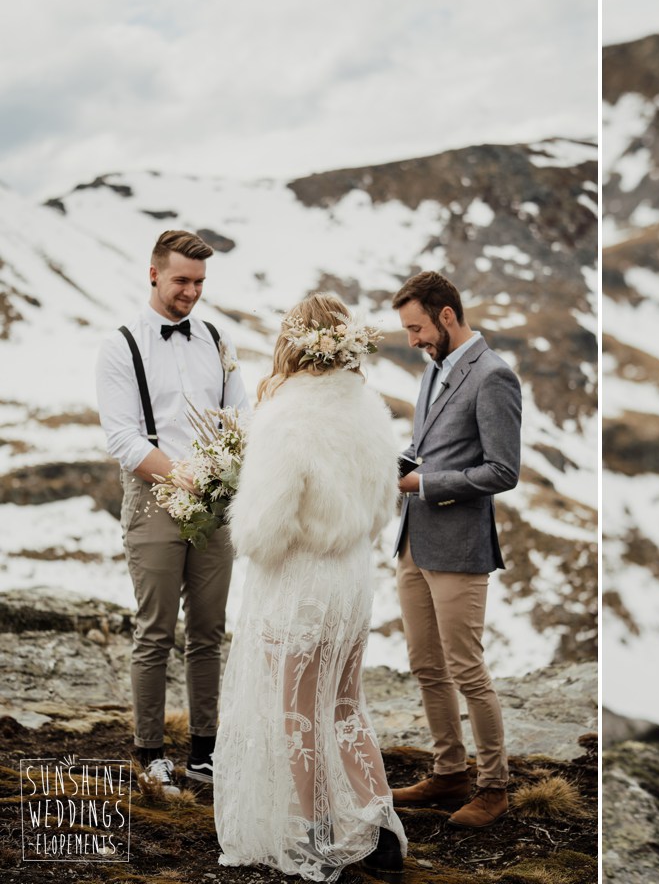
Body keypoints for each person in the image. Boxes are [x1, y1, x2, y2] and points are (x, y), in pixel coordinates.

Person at [213, 293, 406, 882]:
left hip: (300, 584)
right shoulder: (372, 411)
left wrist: (230, 506)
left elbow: (263, 531)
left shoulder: (285, 415)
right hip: (352, 581)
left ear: (292, 342)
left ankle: (319, 838)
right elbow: (382, 507)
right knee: (346, 706)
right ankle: (379, 832)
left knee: (298, 712)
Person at [96, 229, 251, 793]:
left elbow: (241, 414)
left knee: (209, 630)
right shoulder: (121, 345)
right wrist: (180, 472)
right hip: (153, 499)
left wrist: (225, 469)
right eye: (183, 280)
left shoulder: (215, 337)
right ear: (154, 273)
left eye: (200, 282)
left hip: (215, 503)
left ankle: (206, 751)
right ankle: (151, 752)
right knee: (155, 631)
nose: (192, 292)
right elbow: (122, 438)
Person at [389, 270, 521, 829]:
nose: (413, 340)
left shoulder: (493, 376)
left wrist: (426, 484)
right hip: (414, 541)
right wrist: (398, 465)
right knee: (425, 664)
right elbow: (431, 448)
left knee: (467, 668)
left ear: (447, 315)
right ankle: (449, 772)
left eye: (417, 328)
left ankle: (494, 787)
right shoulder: (433, 370)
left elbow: (502, 471)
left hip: (460, 544)